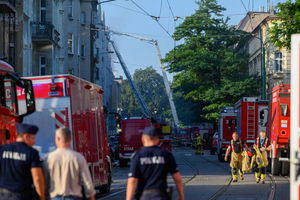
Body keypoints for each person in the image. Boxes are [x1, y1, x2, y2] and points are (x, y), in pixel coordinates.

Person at [126, 126, 184, 200]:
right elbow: (177, 178)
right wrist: (181, 196)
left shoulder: (137, 155)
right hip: (161, 195)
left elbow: (132, 180)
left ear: (143, 139)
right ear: (158, 140)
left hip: (143, 196)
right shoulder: (166, 154)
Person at [44, 127, 96, 200]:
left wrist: (45, 195)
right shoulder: (78, 158)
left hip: (55, 197)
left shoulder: (49, 159)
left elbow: (45, 180)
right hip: (74, 197)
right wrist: (91, 195)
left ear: (58, 139)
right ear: (70, 139)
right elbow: (87, 181)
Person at [0, 123, 46, 200]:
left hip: (3, 195)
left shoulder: (2, 149)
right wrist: (42, 197)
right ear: (26, 137)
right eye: (33, 138)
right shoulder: (31, 152)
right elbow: (37, 177)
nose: (34, 142)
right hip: (22, 196)